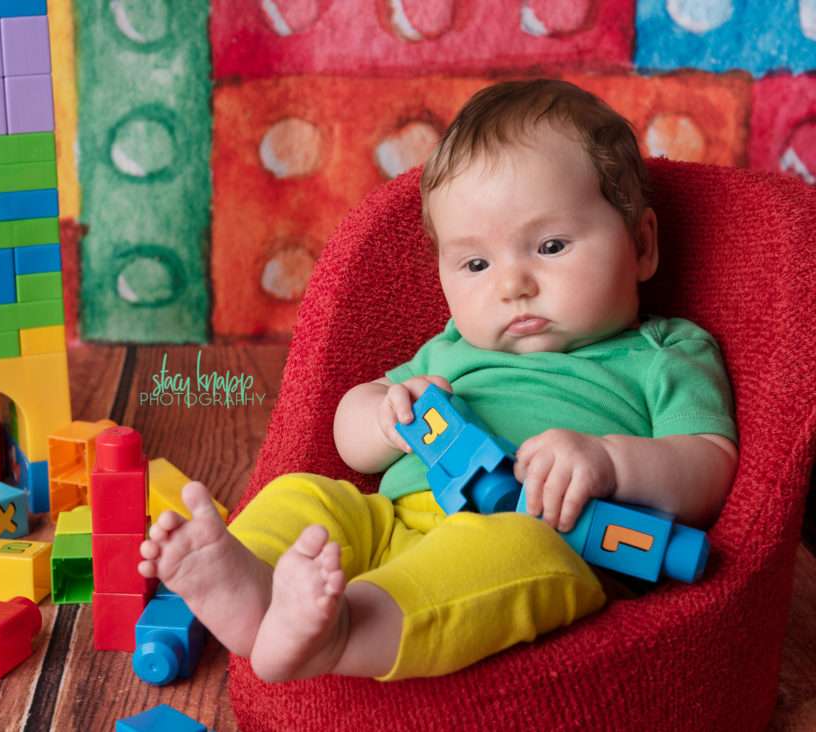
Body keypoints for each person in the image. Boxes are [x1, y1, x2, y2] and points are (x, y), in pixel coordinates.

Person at [138, 79, 739, 684]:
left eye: (551, 246)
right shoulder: (452, 348)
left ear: (640, 245)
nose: (512, 285)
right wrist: (382, 417)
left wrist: (609, 462)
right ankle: (250, 584)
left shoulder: (663, 352)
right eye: (476, 264)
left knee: (509, 558)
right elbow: (349, 436)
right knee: (307, 495)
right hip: (396, 517)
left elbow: (709, 467)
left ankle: (342, 633)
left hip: (548, 536)